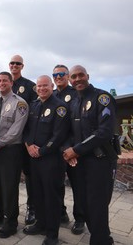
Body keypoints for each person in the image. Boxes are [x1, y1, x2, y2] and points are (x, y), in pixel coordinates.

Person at [63, 65, 117, 245]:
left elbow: (104, 132)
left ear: (88, 76)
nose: (77, 79)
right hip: (79, 162)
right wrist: (71, 151)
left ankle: (101, 240)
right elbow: (69, 131)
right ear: (70, 80)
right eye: (74, 77)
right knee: (84, 204)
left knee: (97, 204)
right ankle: (101, 236)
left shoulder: (102, 98)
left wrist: (76, 150)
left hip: (99, 160)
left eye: (80, 75)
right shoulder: (74, 102)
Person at [22, 75, 69, 245]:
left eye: (45, 86)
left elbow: (59, 135)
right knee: (37, 194)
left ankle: (52, 234)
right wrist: (28, 146)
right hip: (33, 158)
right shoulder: (33, 106)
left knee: (51, 197)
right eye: (39, 86)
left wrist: (41, 151)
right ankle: (40, 223)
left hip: (51, 160)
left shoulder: (60, 107)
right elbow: (25, 129)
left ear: (51, 86)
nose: (41, 88)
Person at [0, 72, 29, 239]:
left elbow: (16, 131)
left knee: (9, 188)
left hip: (10, 151)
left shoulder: (20, 104)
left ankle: (10, 223)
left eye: (5, 80)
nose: (1, 83)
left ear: (11, 83)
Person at [52, 65, 85, 233]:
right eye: (55, 74)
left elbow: (75, 125)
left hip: (73, 149)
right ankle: (61, 214)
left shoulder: (75, 95)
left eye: (61, 74)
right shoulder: (52, 96)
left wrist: (71, 148)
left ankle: (80, 219)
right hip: (56, 150)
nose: (58, 77)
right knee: (57, 185)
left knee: (77, 185)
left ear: (68, 77)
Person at [8, 54, 38, 225]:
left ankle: (31, 208)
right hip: (10, 141)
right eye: (12, 63)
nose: (14, 65)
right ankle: (8, 210)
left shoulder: (30, 86)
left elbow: (33, 115)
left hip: (24, 140)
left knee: (29, 176)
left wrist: (29, 140)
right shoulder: (5, 84)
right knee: (10, 176)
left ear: (22, 66)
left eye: (17, 63)